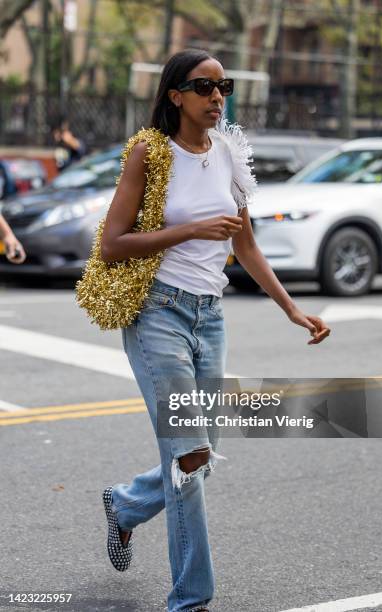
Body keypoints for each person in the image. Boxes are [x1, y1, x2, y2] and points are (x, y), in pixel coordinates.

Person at [100, 49, 331, 612]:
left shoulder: (228, 152)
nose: (217, 96)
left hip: (211, 315)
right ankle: (192, 599)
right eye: (204, 87)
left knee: (203, 453)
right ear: (175, 95)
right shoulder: (148, 154)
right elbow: (111, 244)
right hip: (158, 313)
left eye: (223, 86)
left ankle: (127, 505)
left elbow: (245, 244)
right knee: (188, 458)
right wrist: (192, 230)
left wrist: (290, 308)